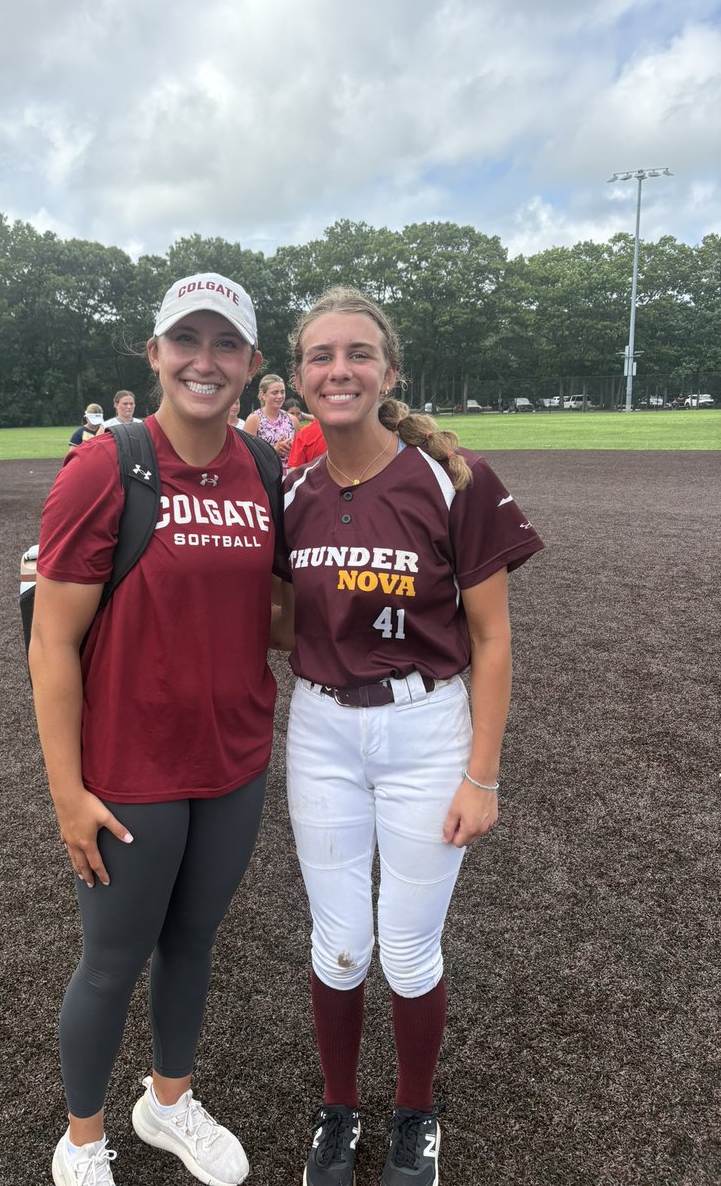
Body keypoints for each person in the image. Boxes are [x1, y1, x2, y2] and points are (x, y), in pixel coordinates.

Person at [277, 288, 544, 1186]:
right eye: (321, 356)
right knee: (339, 941)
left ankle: (416, 1116)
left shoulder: (452, 478)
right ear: (300, 377)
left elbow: (495, 640)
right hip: (319, 728)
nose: (339, 369)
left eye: (358, 354)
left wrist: (484, 776)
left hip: (426, 728)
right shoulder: (295, 490)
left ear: (389, 373)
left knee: (408, 944)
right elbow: (282, 619)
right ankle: (338, 1110)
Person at [29, 272, 283, 1186]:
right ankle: (84, 1139)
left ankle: (167, 1104)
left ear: (253, 365)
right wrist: (67, 791)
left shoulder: (264, 467)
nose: (204, 362)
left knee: (194, 940)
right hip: (130, 767)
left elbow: (278, 609)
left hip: (234, 757)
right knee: (111, 961)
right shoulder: (107, 465)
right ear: (155, 354)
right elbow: (52, 642)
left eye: (226, 346)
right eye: (187, 342)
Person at [242, 373, 294, 465]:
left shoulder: (292, 420)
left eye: (282, 392)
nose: (280, 396)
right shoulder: (254, 419)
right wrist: (274, 450)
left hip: (291, 475)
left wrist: (293, 451)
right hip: (267, 476)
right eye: (275, 392)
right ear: (262, 395)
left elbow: (301, 453)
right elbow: (247, 455)